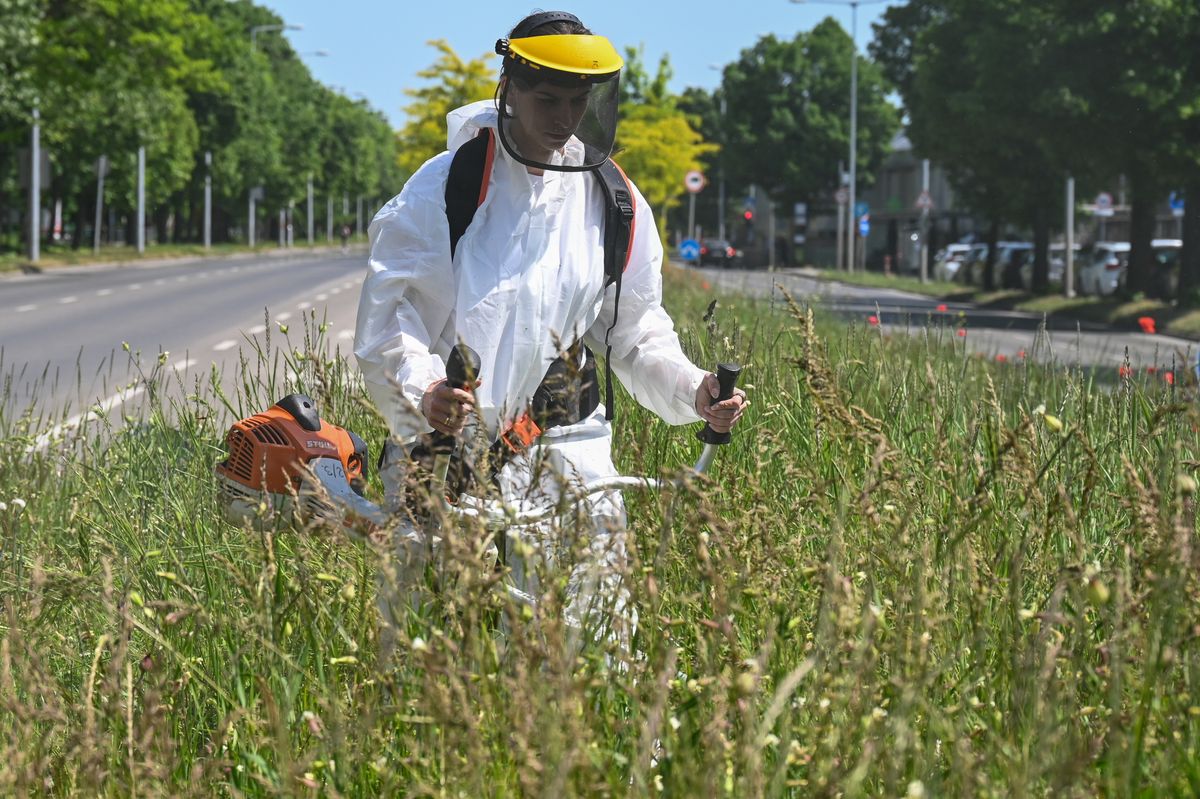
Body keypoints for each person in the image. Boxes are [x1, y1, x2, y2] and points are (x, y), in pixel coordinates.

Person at [354, 11, 747, 654]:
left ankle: (616, 751)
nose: (564, 118)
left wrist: (693, 387)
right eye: (547, 99)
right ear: (508, 86)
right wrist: (424, 390)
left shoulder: (612, 199)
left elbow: (635, 331)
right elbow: (389, 324)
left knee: (599, 643)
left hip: (570, 452)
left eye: (577, 101)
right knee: (422, 653)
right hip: (449, 460)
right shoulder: (445, 188)